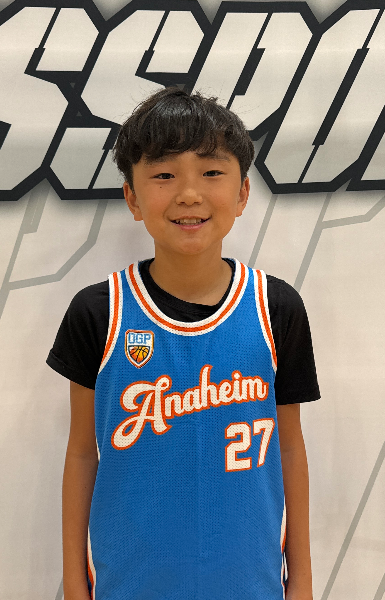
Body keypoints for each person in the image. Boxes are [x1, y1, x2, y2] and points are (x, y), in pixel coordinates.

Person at [47, 87, 320, 600]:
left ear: (242, 193)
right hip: (130, 583)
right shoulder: (99, 312)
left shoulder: (275, 308)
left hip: (249, 582)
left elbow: (289, 445)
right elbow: (83, 453)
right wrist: (74, 582)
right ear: (132, 197)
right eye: (164, 175)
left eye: (211, 172)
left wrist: (301, 580)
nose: (189, 194)